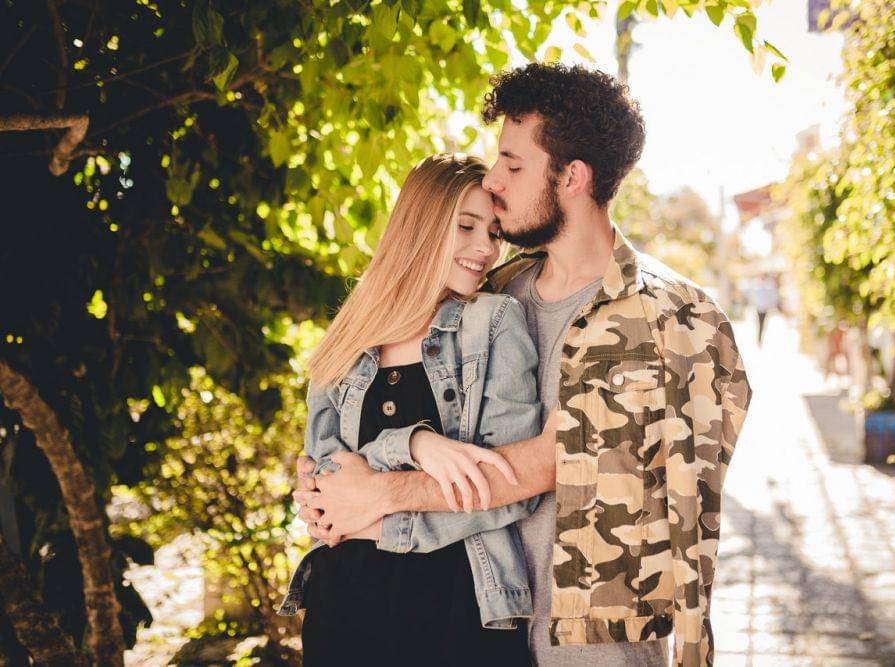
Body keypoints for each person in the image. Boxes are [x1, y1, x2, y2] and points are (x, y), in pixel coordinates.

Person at [299, 64, 753, 667]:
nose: (494, 179)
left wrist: (377, 494)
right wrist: (328, 482)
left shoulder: (677, 317)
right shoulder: (493, 294)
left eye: (513, 165)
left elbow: (598, 471)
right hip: (480, 620)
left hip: (596, 649)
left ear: (572, 177)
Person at [279, 154, 547, 666]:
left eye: (494, 233)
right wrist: (416, 445)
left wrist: (379, 518)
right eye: (466, 226)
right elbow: (328, 484)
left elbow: (510, 487)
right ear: (421, 225)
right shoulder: (348, 336)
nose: (486, 248)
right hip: (345, 609)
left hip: (461, 609)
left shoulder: (493, 323)